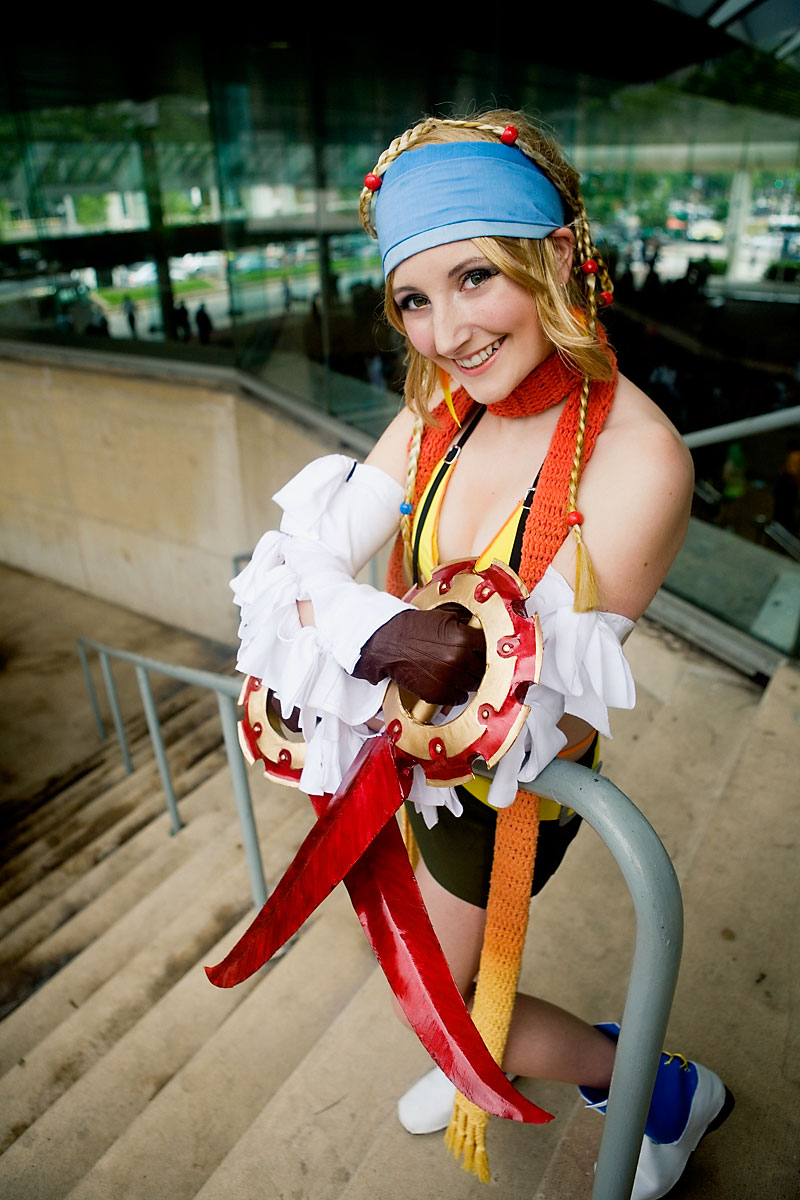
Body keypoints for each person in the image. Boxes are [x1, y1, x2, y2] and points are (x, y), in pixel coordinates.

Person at [231, 110, 731, 1199]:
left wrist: (349, 633)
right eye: (414, 298)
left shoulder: (637, 462)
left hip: (507, 789)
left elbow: (509, 697)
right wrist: (378, 635)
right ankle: (475, 1057)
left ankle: (651, 1086)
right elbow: (287, 568)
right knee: (425, 968)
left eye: (474, 278)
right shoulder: (440, 409)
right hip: (400, 759)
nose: (446, 333)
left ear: (553, 256)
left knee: (437, 993)